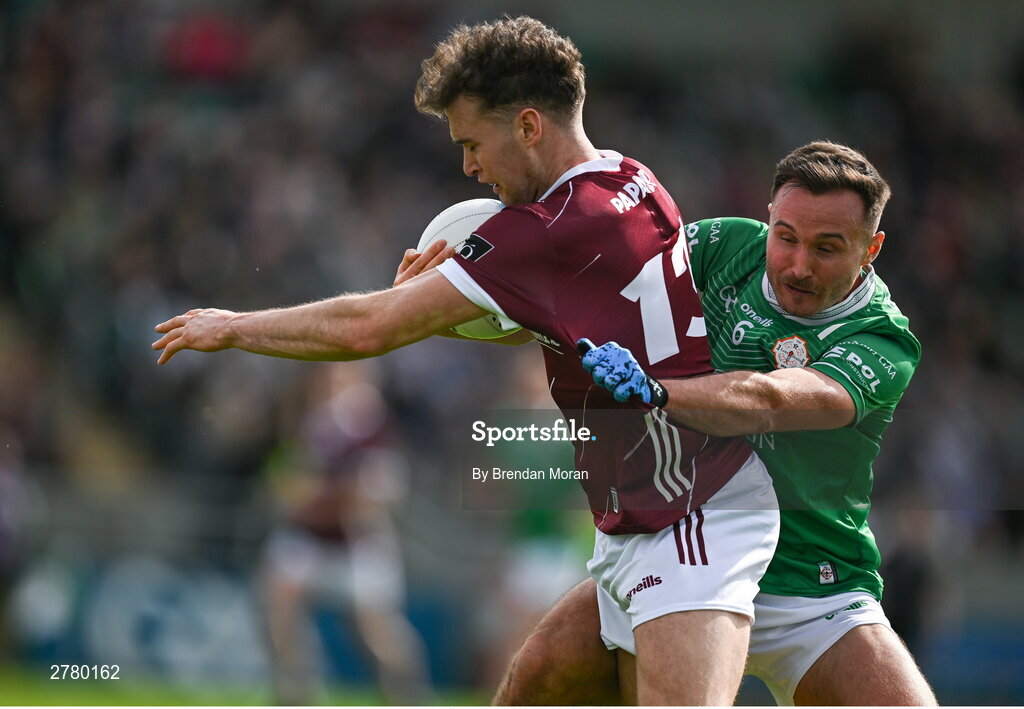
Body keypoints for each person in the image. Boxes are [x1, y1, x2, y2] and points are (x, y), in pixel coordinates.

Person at [152, 16, 779, 704]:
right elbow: (561, 324)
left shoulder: (540, 229)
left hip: (687, 513)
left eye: (472, 142)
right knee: (529, 684)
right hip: (649, 513)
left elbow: (365, 330)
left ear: (530, 127)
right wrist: (448, 307)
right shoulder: (633, 180)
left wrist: (236, 325)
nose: (468, 167)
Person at [492, 141, 937, 705]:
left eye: (828, 248)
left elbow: (773, 398)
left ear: (870, 248)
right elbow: (585, 289)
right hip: (679, 549)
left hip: (812, 586)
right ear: (769, 218)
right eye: (787, 238)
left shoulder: (884, 339)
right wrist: (469, 293)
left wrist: (657, 393)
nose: (799, 266)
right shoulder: (725, 247)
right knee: (534, 680)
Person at [258, 362, 432, 704]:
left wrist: (323, 497)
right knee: (277, 601)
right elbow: (286, 479)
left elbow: (373, 497)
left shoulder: (373, 427)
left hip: (357, 543)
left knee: (375, 634)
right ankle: (296, 692)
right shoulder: (313, 421)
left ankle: (409, 695)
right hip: (310, 539)